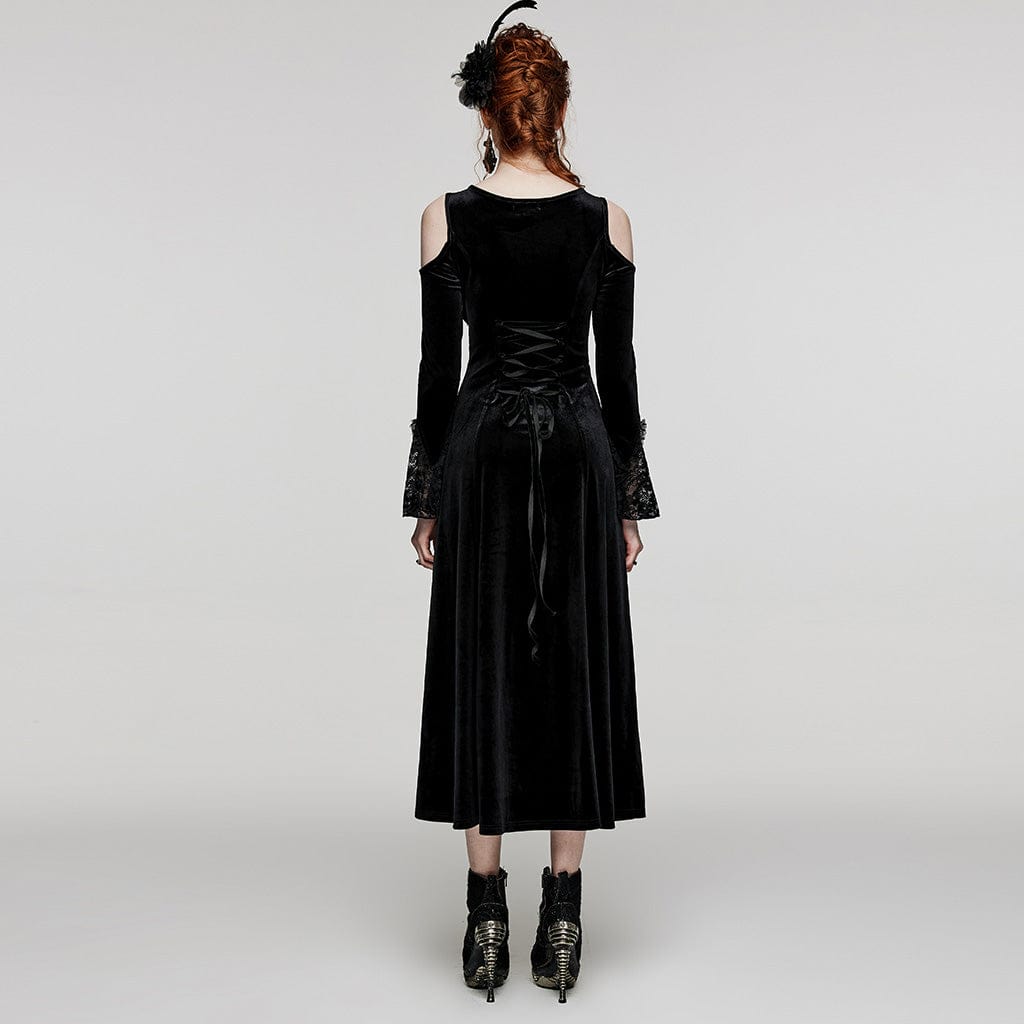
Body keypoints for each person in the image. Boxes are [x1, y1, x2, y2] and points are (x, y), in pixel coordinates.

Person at [401, 1, 660, 1003]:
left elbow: (438, 373)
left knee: (485, 663)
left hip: (484, 454)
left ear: (487, 111)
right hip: (577, 456)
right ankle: (563, 915)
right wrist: (627, 497)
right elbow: (617, 372)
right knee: (572, 667)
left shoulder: (445, 215)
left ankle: (484, 917)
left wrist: (427, 495)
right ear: (555, 110)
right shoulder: (606, 219)